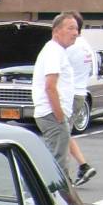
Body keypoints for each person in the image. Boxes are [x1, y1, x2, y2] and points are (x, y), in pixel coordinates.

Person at [31, 13, 80, 181]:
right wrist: (59, 116)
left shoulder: (57, 51)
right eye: (70, 28)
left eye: (76, 29)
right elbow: (50, 86)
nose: (75, 33)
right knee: (58, 162)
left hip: (53, 114)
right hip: (52, 114)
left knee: (58, 158)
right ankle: (57, 193)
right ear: (56, 31)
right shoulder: (53, 52)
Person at [64, 11, 97, 185]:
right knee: (65, 133)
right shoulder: (86, 46)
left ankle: (64, 177)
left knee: (60, 136)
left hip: (69, 94)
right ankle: (83, 165)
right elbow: (91, 71)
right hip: (81, 92)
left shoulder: (70, 47)